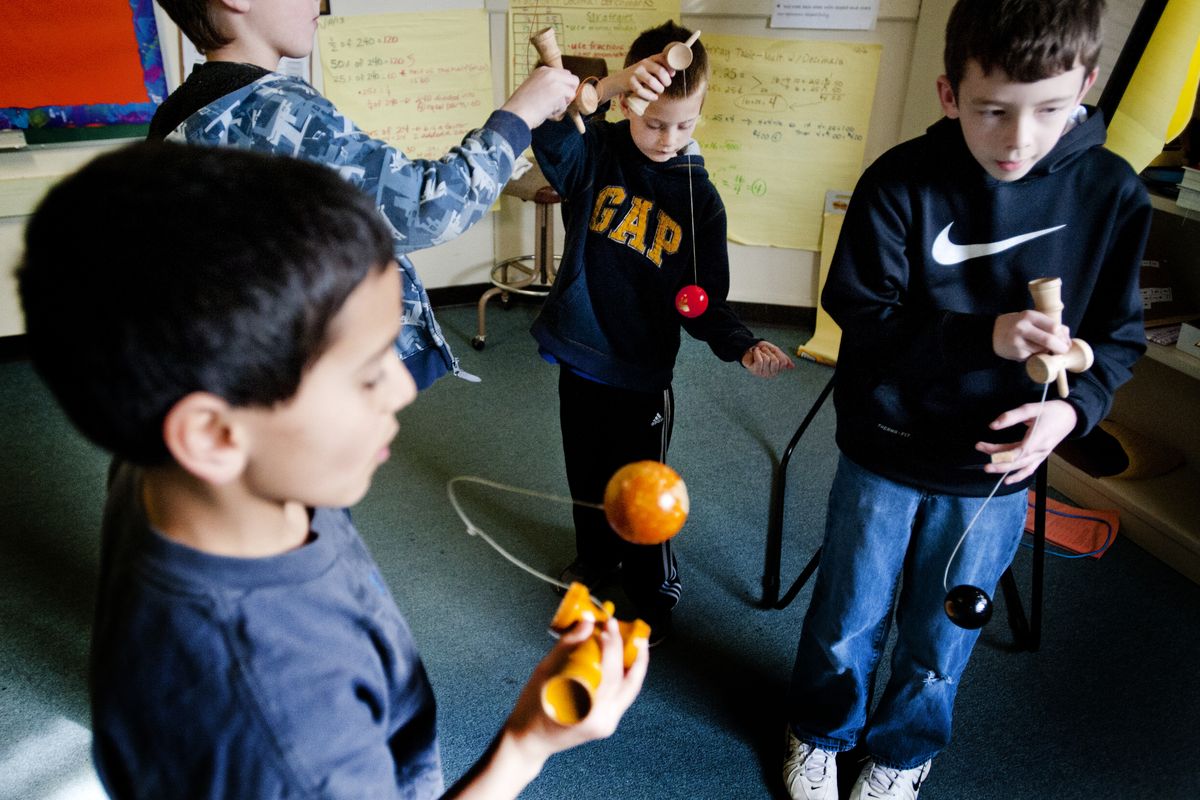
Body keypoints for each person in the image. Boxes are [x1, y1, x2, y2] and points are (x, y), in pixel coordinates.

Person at [17, 141, 647, 799]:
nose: (402, 390)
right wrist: (524, 745)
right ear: (212, 435)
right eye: (368, 372)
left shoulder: (163, 467)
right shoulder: (287, 729)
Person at [782, 1, 1151, 798]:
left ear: (1086, 87)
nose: (1019, 139)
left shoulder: (1113, 194)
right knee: (848, 612)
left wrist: (1070, 412)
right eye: (993, 111)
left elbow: (1117, 340)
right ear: (949, 94)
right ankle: (821, 731)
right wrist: (982, 338)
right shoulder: (899, 181)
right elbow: (860, 316)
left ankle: (902, 752)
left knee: (945, 628)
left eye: (1051, 111)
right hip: (887, 443)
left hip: (995, 470)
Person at [149, 0, 578, 390]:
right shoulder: (274, 108)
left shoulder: (181, 115)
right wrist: (520, 114)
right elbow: (427, 207)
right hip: (297, 385)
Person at [529, 20, 794, 643]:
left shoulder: (700, 202)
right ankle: (596, 559)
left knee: (642, 489)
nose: (668, 138)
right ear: (629, 101)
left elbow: (699, 300)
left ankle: (653, 583)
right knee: (586, 473)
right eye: (655, 123)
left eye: (685, 125)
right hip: (581, 354)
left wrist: (740, 342)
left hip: (642, 372)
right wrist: (605, 84)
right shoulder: (594, 152)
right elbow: (546, 126)